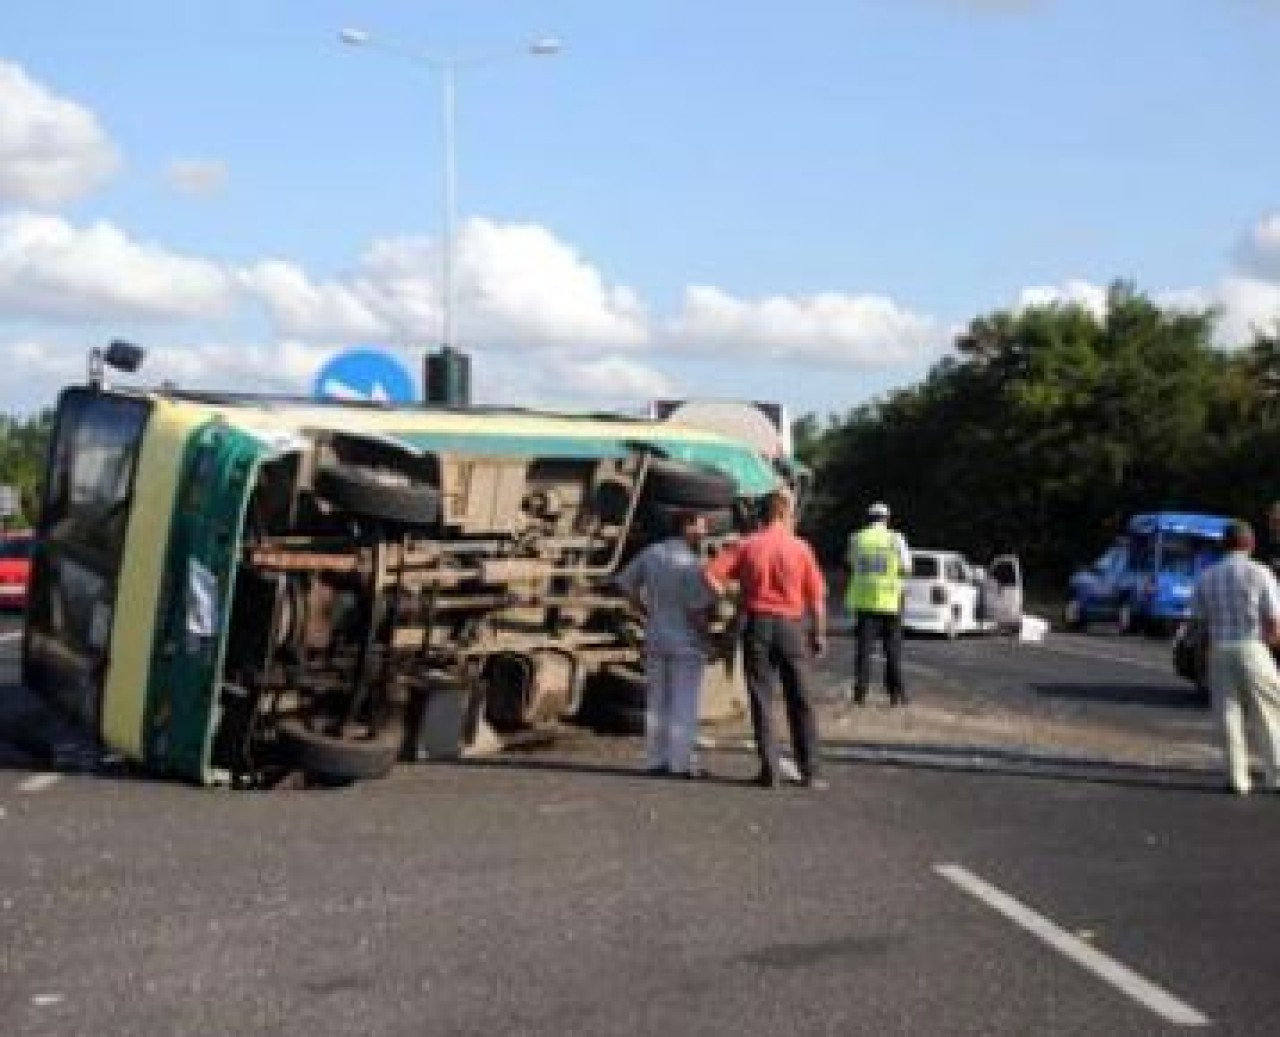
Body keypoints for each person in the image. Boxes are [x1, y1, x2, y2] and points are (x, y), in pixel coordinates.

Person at [705, 486, 828, 790]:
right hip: (791, 626)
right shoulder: (800, 548)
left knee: (762, 697)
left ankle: (770, 770)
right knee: (801, 697)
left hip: (756, 623)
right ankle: (810, 770)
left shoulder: (747, 545)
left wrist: (731, 600)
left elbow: (709, 575)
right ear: (785, 512)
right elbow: (816, 600)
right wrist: (819, 633)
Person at [615, 509, 715, 779]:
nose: (705, 533)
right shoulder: (691, 564)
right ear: (687, 527)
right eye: (702, 527)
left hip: (656, 633)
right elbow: (697, 611)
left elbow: (624, 584)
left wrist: (643, 609)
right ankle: (680, 763)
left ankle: (655, 759)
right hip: (686, 640)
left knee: (657, 700)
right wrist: (709, 640)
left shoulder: (652, 553)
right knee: (684, 701)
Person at [1189, 519, 1280, 795]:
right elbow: (1273, 619)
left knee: (1228, 716)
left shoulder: (1206, 577)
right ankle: (1276, 774)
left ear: (1222, 545)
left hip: (1219, 649)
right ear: (1250, 543)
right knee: (1269, 714)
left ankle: (1237, 778)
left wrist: (1203, 655)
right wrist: (1271, 646)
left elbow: (1199, 623)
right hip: (1252, 646)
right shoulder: (1261, 573)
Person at [846, 501, 912, 706]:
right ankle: (895, 694)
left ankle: (860, 694)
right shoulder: (896, 539)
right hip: (891, 602)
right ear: (886, 519)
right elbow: (907, 567)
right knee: (892, 651)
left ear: (869, 518)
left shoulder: (857, 538)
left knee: (864, 651)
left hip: (865, 603)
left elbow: (851, 562)